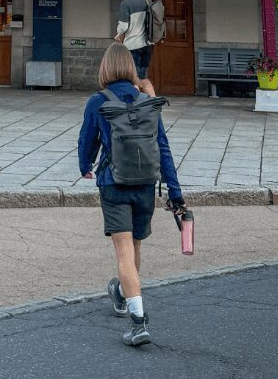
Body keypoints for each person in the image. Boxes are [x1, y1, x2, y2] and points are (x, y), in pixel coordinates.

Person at [78, 42, 184, 347]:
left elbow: (87, 141)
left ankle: (138, 321)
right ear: (130, 67)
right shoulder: (146, 101)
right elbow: (163, 148)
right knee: (134, 245)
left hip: (113, 182)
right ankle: (123, 292)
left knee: (123, 250)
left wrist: (85, 165)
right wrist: (175, 194)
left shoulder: (98, 101)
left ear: (105, 68)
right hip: (145, 184)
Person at [114, 0, 152, 80]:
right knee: (143, 78)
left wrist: (118, 33)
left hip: (133, 46)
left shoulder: (126, 4)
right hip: (147, 45)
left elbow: (123, 27)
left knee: (132, 78)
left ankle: (134, 96)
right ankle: (145, 96)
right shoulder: (146, 1)